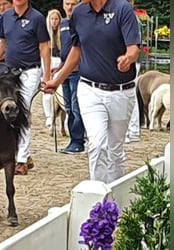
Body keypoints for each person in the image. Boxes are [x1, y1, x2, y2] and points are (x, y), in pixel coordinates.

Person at [42, 0, 141, 183]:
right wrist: (57, 80)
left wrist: (128, 58)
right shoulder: (79, 13)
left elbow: (134, 48)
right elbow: (76, 50)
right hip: (89, 89)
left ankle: (114, 198)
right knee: (97, 144)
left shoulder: (122, 9)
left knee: (115, 149)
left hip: (121, 91)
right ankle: (99, 198)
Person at [0, 0, 51, 175]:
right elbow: (3, 42)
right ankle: (9, 153)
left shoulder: (37, 18)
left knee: (23, 109)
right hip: (10, 71)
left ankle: (21, 159)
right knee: (5, 110)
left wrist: (47, 75)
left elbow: (44, 47)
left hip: (30, 71)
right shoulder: (6, 17)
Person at [57, 0, 85, 154]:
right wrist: (60, 68)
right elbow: (66, 49)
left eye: (73, 4)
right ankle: (73, 139)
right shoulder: (62, 24)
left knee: (76, 107)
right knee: (68, 107)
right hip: (65, 71)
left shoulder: (81, 22)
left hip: (77, 71)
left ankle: (77, 140)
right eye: (67, 4)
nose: (69, 7)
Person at [125, 0, 143, 144]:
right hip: (131, 59)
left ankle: (133, 129)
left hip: (130, 59)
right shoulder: (133, 16)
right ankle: (134, 130)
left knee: (129, 93)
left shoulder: (129, 16)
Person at [42, 9, 62, 129]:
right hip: (49, 60)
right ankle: (49, 115)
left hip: (60, 62)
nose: (54, 22)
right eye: (52, 19)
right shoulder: (45, 34)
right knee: (47, 91)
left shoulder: (63, 33)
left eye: (56, 19)